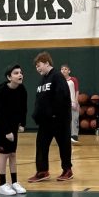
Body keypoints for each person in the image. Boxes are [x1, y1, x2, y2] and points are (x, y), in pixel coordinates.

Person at [27, 52, 73, 183]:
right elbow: (39, 100)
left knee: (64, 145)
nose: (38, 68)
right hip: (45, 121)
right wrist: (36, 115)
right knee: (41, 145)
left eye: (39, 65)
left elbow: (62, 97)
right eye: (36, 67)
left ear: (47, 63)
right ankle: (42, 171)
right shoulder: (42, 80)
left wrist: (56, 114)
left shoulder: (57, 77)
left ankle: (67, 170)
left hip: (59, 119)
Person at [0, 64, 28, 196]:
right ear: (9, 77)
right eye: (16, 73)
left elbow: (23, 108)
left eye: (20, 72)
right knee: (4, 155)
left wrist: (22, 124)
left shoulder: (22, 89)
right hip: (3, 127)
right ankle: (2, 184)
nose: (20, 75)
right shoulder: (2, 92)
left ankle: (14, 182)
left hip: (14, 126)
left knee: (13, 154)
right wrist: (7, 131)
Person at [60, 64, 79, 143]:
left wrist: (76, 101)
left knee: (74, 120)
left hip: (73, 103)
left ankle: (74, 136)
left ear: (69, 71)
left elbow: (77, 90)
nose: (63, 70)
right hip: (63, 104)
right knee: (64, 120)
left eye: (65, 69)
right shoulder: (59, 80)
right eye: (62, 69)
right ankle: (64, 136)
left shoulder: (73, 79)